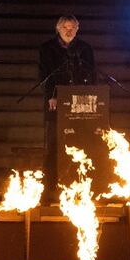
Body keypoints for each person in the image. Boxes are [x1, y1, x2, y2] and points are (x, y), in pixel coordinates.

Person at [39, 15, 96, 198]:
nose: (69, 31)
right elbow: (45, 75)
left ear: (77, 29)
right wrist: (51, 96)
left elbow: (92, 74)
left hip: (80, 104)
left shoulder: (85, 49)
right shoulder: (47, 49)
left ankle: (81, 187)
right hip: (57, 104)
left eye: (72, 27)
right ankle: (50, 187)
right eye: (65, 27)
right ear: (58, 29)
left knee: (82, 144)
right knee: (54, 144)